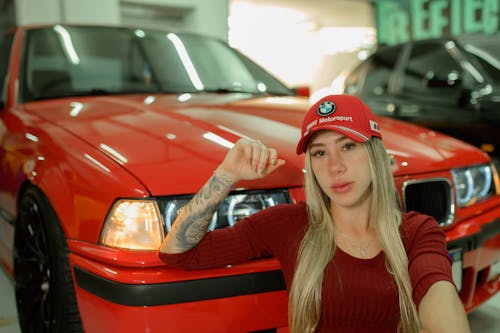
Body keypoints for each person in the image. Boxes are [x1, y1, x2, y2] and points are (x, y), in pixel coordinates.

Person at [159, 94, 471, 333]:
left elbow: (438, 292)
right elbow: (178, 252)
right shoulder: (289, 224)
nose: (334, 166)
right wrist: (226, 173)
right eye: (320, 152)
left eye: (348, 146)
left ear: (374, 153)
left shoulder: (417, 230)